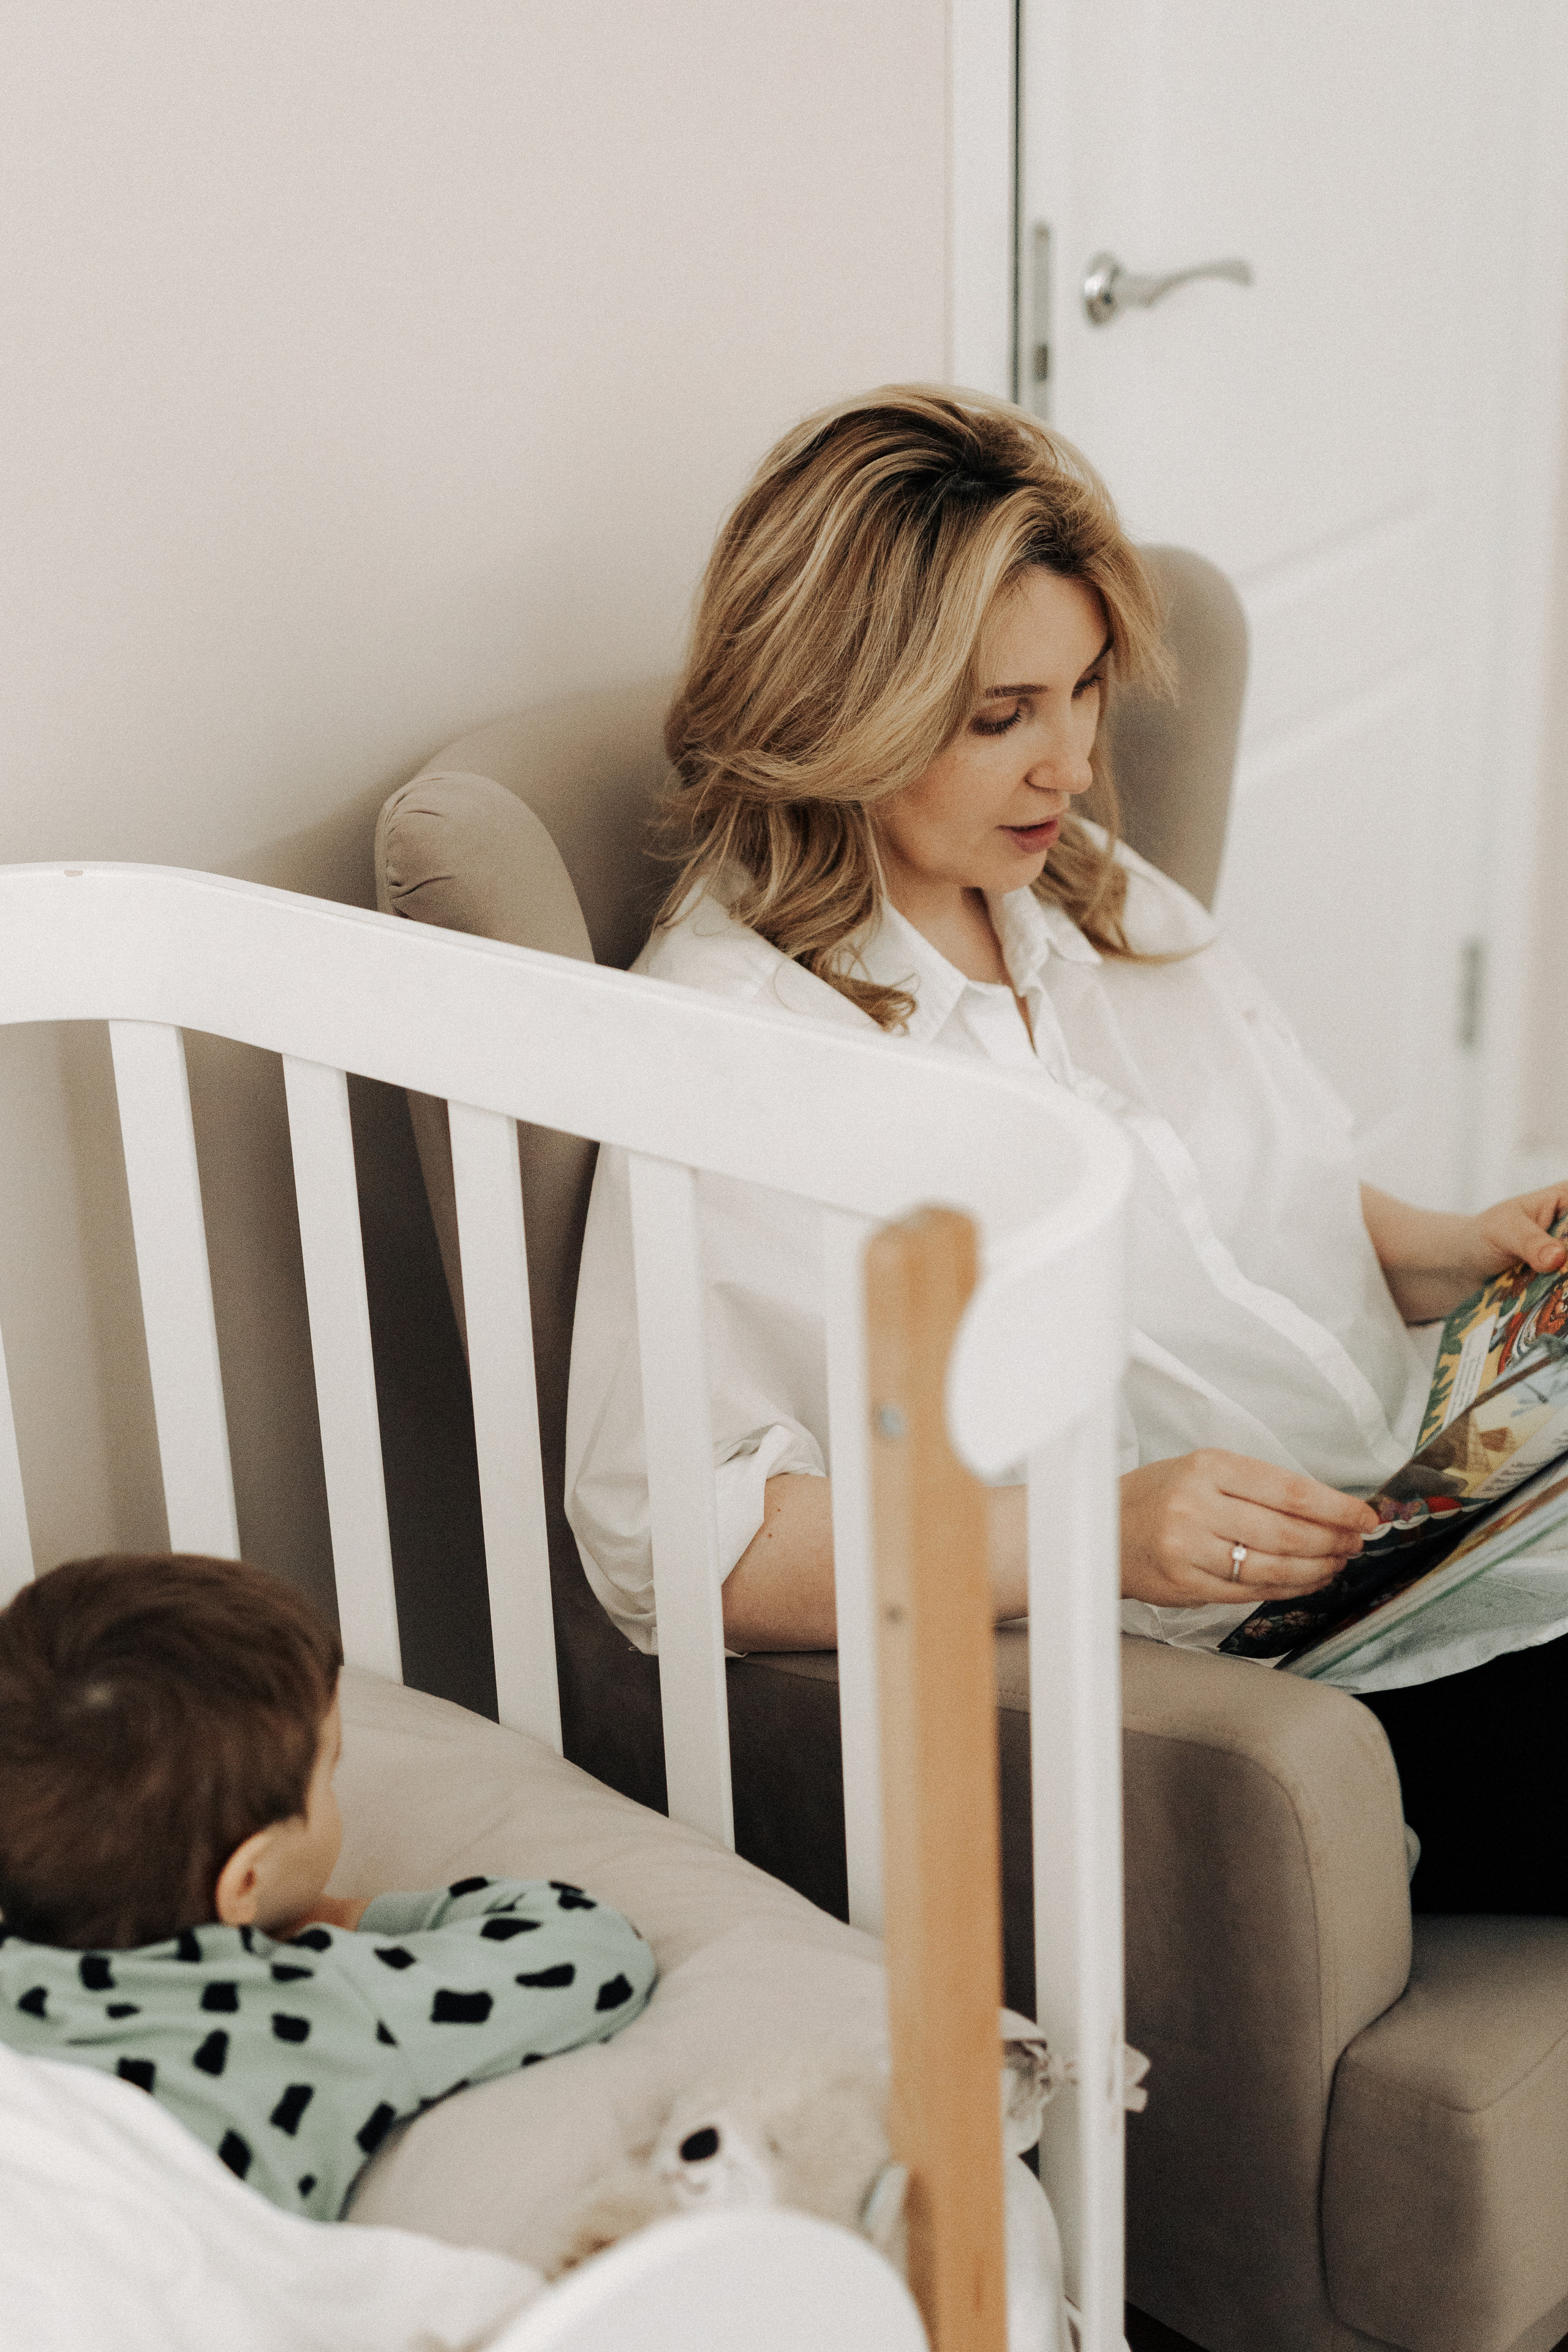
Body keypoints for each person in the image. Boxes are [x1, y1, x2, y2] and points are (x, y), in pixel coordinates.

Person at [564, 383, 1568, 1911]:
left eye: (1085, 690)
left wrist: (1439, 1245)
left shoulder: (1060, 881)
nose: (1075, 764)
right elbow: (671, 1538)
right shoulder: (735, 1051)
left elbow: (1198, 1197)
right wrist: (1099, 1531)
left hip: (1392, 1484)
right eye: (998, 718)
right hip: (1259, 1662)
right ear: (839, 712)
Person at [0, 1552, 655, 2217]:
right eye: (330, 1776)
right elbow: (593, 1949)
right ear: (247, 1880)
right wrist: (350, 1917)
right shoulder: (323, 2005)